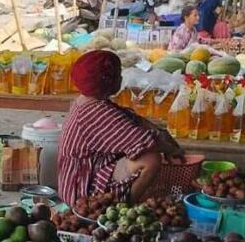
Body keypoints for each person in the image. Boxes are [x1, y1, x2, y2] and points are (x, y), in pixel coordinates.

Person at [58, 50, 184, 206]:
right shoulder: (94, 111)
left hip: (93, 168)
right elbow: (145, 141)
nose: (122, 77)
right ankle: (124, 208)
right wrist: (173, 150)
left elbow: (132, 118)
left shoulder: (86, 100)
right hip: (82, 187)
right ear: (109, 81)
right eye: (119, 73)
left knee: (149, 147)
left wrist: (162, 133)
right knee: (150, 159)